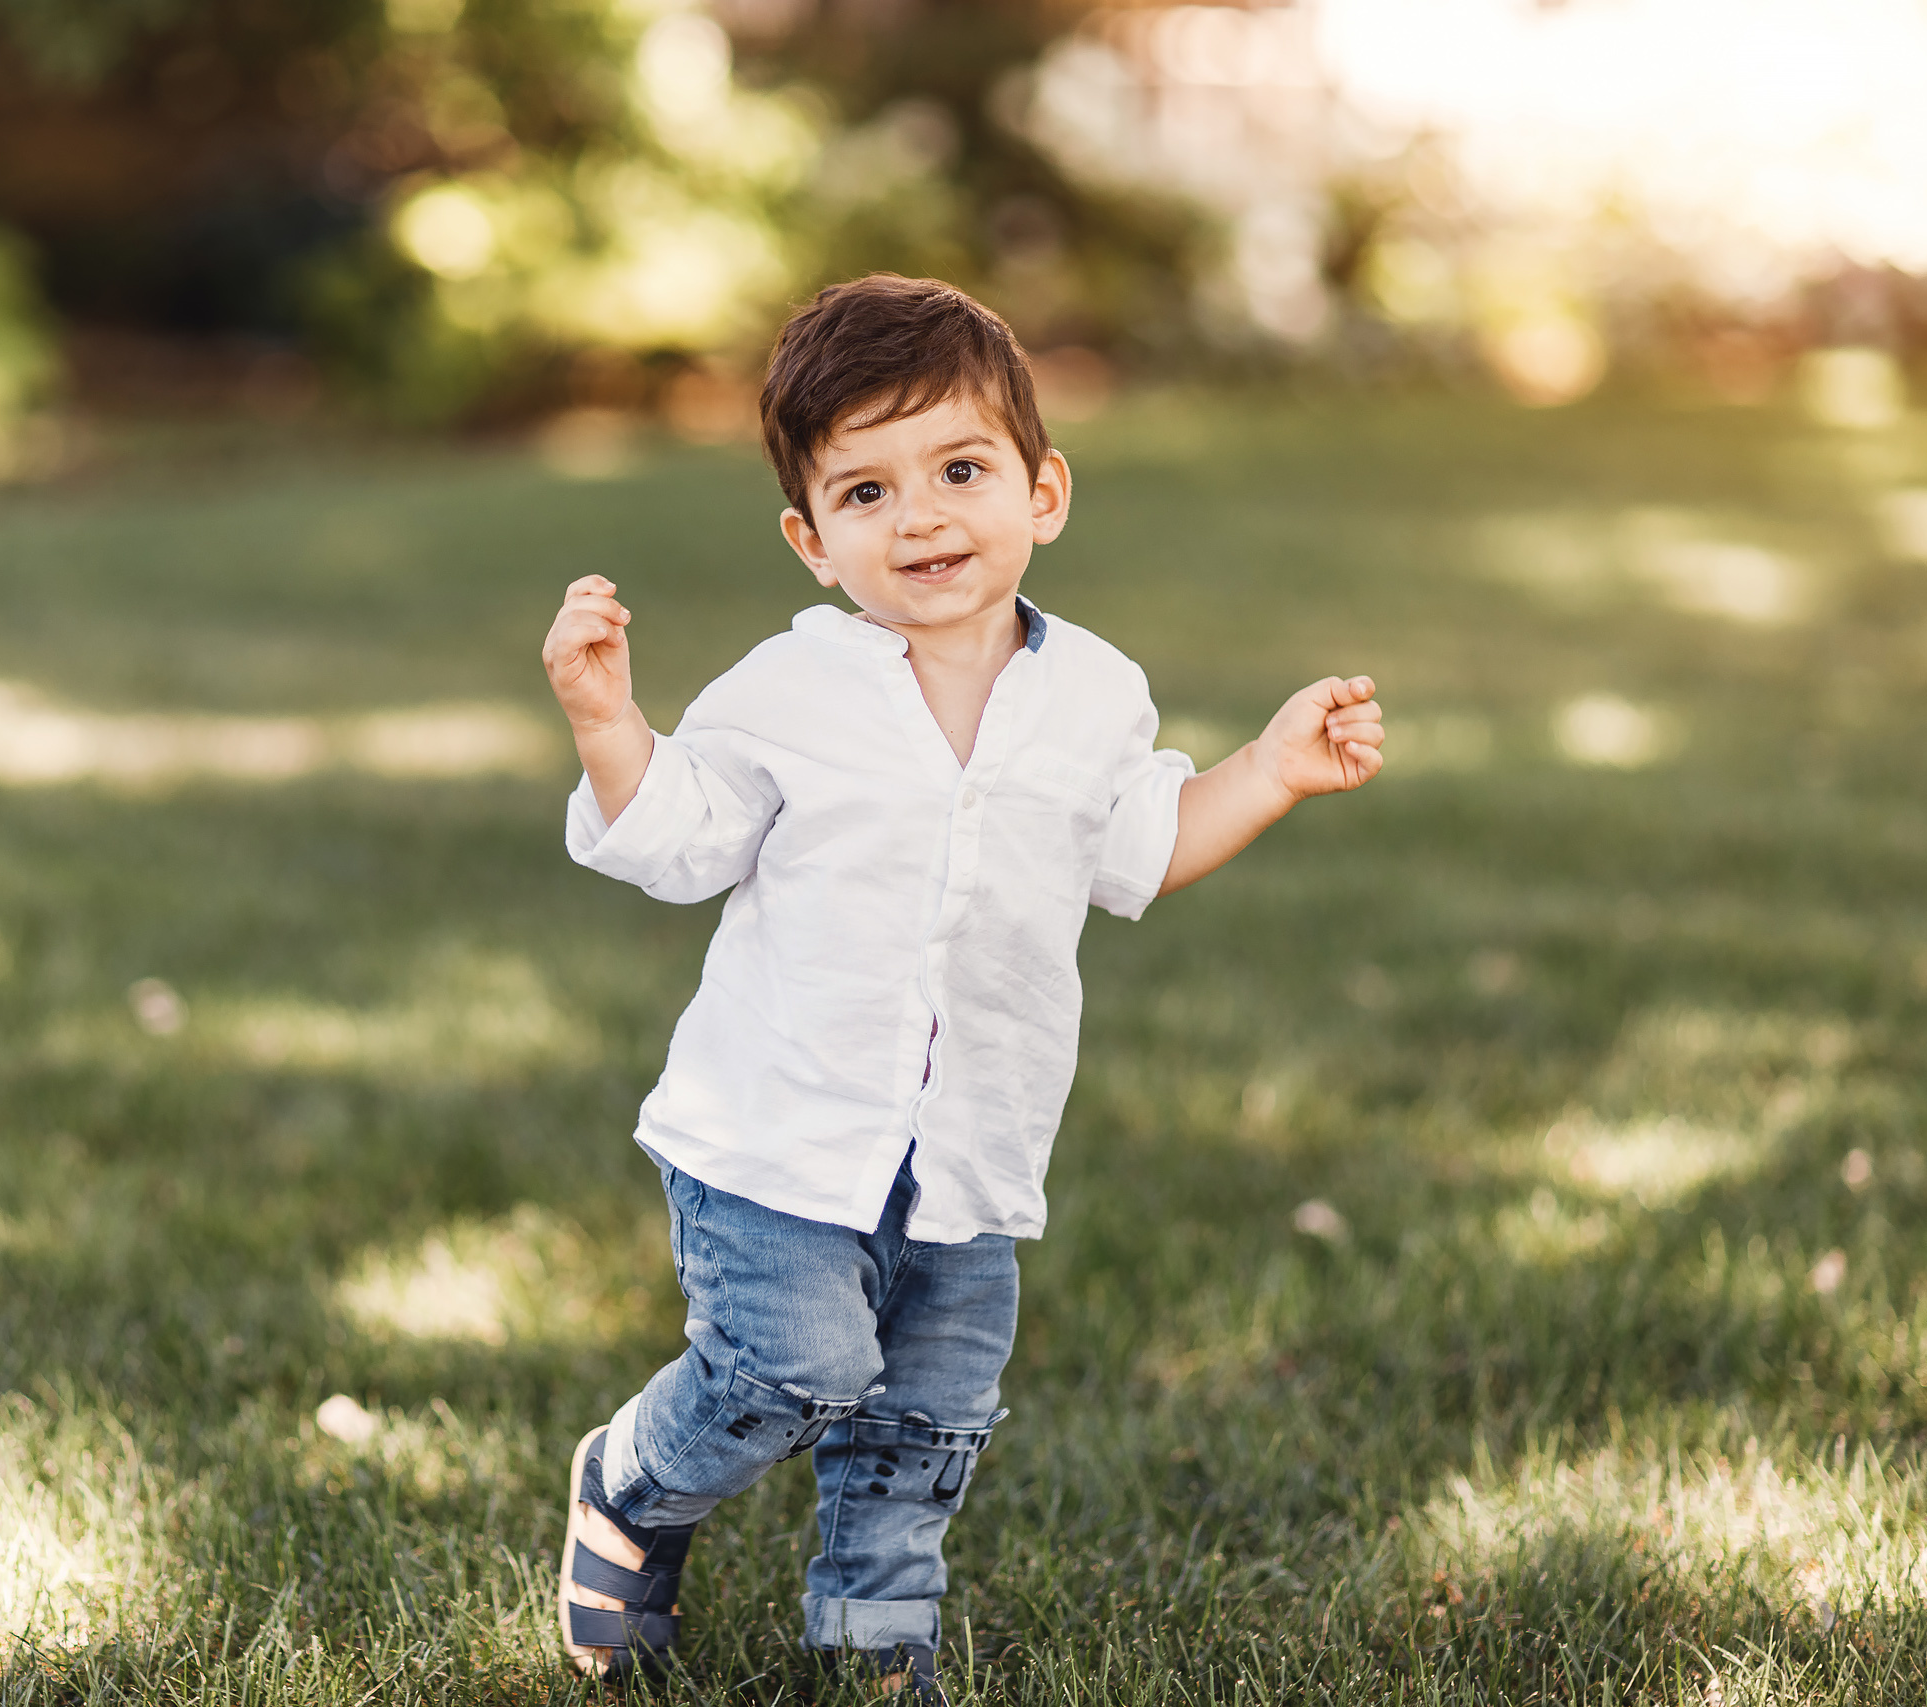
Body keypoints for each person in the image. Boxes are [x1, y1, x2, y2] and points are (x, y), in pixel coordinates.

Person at [537, 274, 1385, 1696]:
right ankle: (632, 1481)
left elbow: (1140, 848)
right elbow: (679, 840)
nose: (921, 516)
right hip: (777, 1138)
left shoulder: (1096, 693)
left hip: (972, 1150)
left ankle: (875, 1640)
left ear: (1044, 491)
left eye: (960, 470)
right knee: (788, 1374)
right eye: (865, 493)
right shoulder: (789, 692)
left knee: (924, 1418)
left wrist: (1271, 770)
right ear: (811, 541)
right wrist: (611, 725)